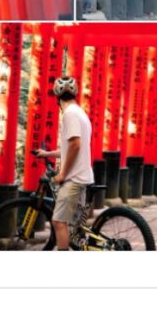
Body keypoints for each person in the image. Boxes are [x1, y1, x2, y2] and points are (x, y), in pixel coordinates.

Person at [36, 76, 94, 251]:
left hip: (74, 179)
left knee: (58, 222)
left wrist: (62, 175)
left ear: (57, 97)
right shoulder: (80, 113)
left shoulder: (69, 114)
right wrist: (47, 153)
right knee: (76, 228)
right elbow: (71, 148)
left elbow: (75, 144)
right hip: (83, 177)